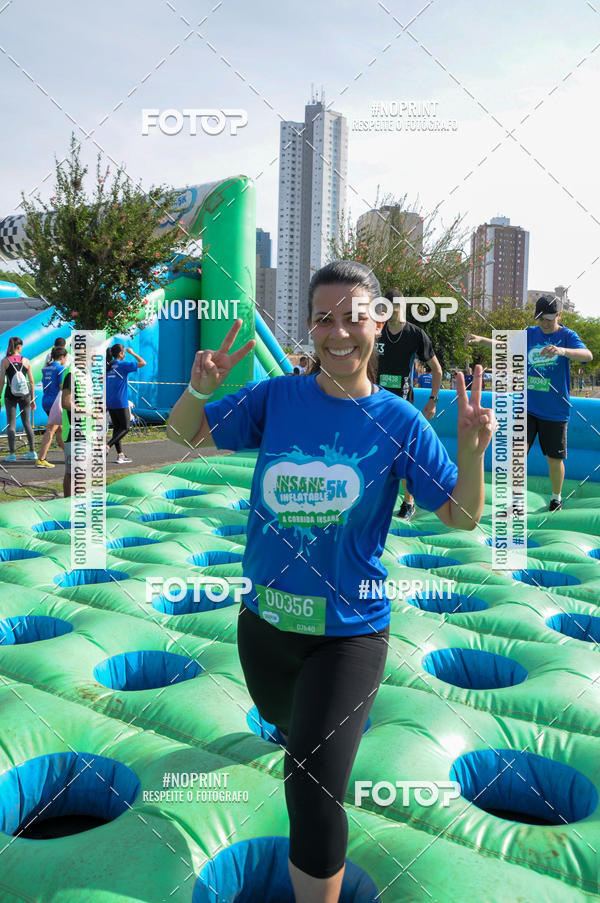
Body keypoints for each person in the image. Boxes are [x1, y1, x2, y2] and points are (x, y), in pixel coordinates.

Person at [167, 260, 495, 903]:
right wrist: (200, 387)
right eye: (324, 318)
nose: (338, 332)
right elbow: (183, 434)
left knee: (311, 785)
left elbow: (462, 516)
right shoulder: (277, 396)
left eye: (353, 317)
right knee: (283, 724)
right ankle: (298, 732)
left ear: (380, 322)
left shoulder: (400, 422)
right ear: (310, 326)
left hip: (349, 634)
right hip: (263, 627)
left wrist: (472, 452)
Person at [466, 295, 593, 511]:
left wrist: (562, 351)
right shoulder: (530, 334)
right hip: (528, 408)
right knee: (517, 452)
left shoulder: (567, 336)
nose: (544, 323)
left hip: (555, 412)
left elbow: (587, 355)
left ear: (559, 316)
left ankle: (556, 497)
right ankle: (515, 500)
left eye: (549, 319)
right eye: (541, 319)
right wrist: (482, 339)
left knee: (554, 459)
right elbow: (506, 346)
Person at [375, 290, 444, 520]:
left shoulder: (416, 334)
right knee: (378, 452)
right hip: (377, 402)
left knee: (406, 454)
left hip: (404, 405)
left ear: (403, 306)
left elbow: (437, 369)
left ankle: (408, 502)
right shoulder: (376, 330)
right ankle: (375, 500)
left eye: (395, 305)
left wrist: (433, 401)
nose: (390, 309)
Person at [106, 344, 146, 464]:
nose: (124, 354)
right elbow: (143, 363)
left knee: (117, 428)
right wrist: (132, 353)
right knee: (126, 427)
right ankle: (107, 446)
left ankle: (120, 455)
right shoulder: (122, 365)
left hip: (110, 401)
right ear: (120, 354)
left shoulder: (109, 365)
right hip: (120, 400)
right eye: (123, 352)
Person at [0, 336, 37, 462]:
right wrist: (33, 399)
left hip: (10, 394)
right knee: (27, 422)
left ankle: (12, 454)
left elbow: (2, 381)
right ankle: (32, 451)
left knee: (11, 423)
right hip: (25, 395)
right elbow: (31, 381)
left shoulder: (5, 361)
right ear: (19, 347)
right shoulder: (26, 361)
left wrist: (0, 396)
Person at [37, 347, 68, 468]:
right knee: (51, 430)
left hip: (46, 401)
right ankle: (41, 459)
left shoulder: (46, 369)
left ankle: (69, 455)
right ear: (62, 357)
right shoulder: (61, 369)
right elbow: (62, 387)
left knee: (60, 429)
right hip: (56, 403)